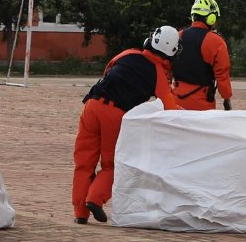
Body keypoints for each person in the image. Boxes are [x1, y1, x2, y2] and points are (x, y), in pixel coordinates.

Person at [72, 25, 184, 223]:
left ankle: (80, 213)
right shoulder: (158, 73)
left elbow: (108, 72)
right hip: (115, 114)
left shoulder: (127, 54)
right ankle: (95, 199)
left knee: (83, 163)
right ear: (172, 53)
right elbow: (169, 107)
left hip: (91, 105)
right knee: (112, 163)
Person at [171, 0, 234, 111]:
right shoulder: (216, 42)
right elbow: (222, 76)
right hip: (201, 104)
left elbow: (167, 68)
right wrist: (226, 98)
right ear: (211, 18)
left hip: (176, 101)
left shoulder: (178, 36)